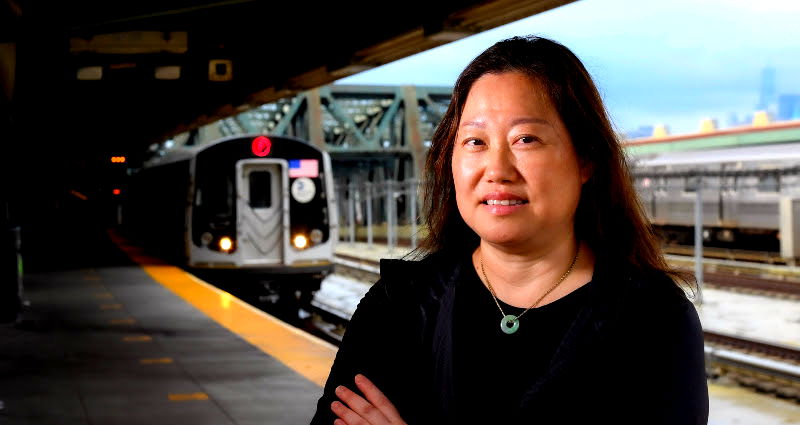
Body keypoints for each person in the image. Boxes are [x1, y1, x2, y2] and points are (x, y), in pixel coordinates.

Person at [310, 35, 709, 425]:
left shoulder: (654, 322)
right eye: (475, 141)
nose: (497, 169)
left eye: (526, 139)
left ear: (586, 159)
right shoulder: (398, 306)